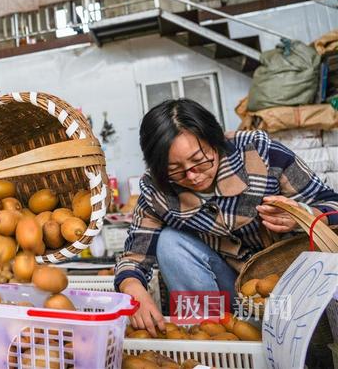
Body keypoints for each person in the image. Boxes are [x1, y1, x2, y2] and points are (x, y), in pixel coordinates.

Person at [116, 99, 338, 336]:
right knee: (170, 242)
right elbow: (135, 255)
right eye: (175, 169)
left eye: (199, 161)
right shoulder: (156, 189)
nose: (192, 176)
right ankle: (210, 334)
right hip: (230, 291)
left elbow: (332, 205)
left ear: (215, 140)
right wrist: (132, 287)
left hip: (291, 285)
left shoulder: (259, 152)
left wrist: (303, 214)